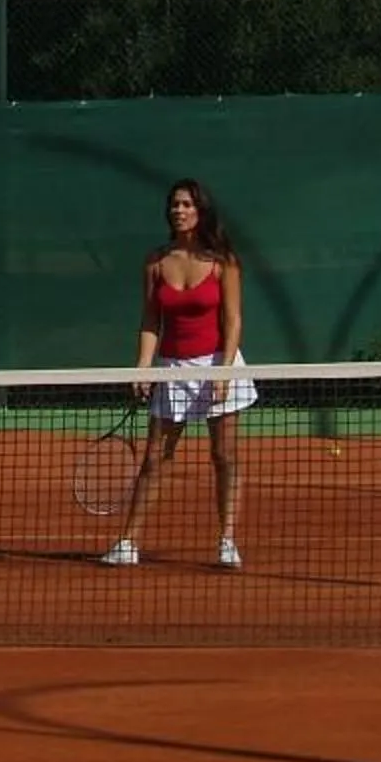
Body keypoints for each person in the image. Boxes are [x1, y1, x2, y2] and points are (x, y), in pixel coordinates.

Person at [102, 177, 254, 570]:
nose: (179, 210)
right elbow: (150, 320)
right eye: (174, 204)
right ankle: (128, 542)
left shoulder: (223, 261)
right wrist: (143, 367)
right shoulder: (155, 261)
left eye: (187, 204)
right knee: (155, 458)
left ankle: (227, 541)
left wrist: (223, 372)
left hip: (218, 362)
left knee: (224, 455)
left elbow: (233, 320)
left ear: (201, 211)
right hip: (172, 369)